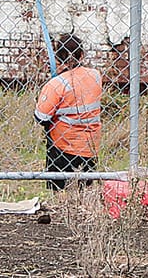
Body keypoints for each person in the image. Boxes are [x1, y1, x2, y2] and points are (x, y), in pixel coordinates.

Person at [33, 34, 102, 189]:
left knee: (59, 189)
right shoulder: (95, 76)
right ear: (82, 54)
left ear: (57, 56)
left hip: (62, 147)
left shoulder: (57, 84)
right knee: (85, 188)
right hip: (89, 145)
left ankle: (59, 198)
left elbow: (41, 117)